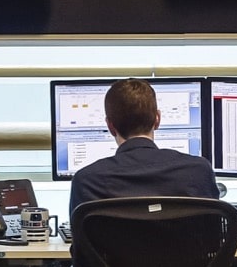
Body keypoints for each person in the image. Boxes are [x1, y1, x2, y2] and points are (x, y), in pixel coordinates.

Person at [67, 78, 220, 215]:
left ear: (110, 126)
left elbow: (81, 245)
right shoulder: (199, 171)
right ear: (157, 119)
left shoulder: (87, 181)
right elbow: (215, 236)